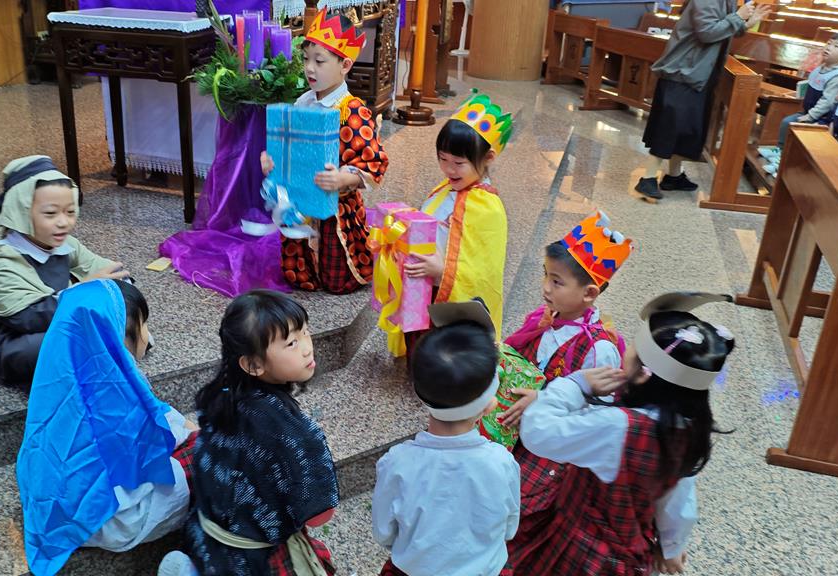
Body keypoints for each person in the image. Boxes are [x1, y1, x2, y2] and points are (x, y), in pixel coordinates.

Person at [506, 292, 736, 575]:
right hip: (628, 556)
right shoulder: (688, 430)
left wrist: (576, 384)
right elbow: (679, 503)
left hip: (578, 549)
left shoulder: (618, 427)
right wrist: (672, 547)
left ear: (642, 373)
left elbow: (538, 432)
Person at [16, 279, 196, 576]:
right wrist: (194, 434)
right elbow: (155, 439)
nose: (148, 335)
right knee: (210, 456)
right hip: (110, 518)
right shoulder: (110, 388)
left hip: (56, 507)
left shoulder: (62, 372)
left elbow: (153, 413)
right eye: (144, 324)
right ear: (119, 335)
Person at [498, 212, 632, 564]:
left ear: (589, 293)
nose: (545, 287)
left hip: (551, 453)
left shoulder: (599, 349)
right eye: (545, 274)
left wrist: (542, 400)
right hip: (516, 434)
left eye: (556, 281)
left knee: (516, 517)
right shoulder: (548, 318)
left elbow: (597, 420)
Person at [183, 290, 339, 575]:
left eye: (305, 332)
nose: (307, 348)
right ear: (253, 364)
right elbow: (319, 515)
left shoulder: (222, 393)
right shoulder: (298, 435)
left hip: (205, 531)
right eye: (291, 343)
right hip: (253, 559)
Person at [372, 299, 520, 576]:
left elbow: (384, 532)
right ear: (489, 404)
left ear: (418, 392)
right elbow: (509, 528)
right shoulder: (501, 462)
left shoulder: (396, 463)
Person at [260, 9, 388, 294]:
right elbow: (288, 148)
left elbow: (373, 162)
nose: (309, 68)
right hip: (301, 199)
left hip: (336, 209)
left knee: (336, 280)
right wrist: (273, 161)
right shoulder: (303, 102)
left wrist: (343, 178)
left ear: (345, 65)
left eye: (319, 61)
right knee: (299, 275)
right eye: (306, 59)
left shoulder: (352, 110)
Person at [0, 155, 129, 387]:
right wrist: (85, 292)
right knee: (54, 344)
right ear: (21, 212)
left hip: (61, 322)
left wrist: (122, 289)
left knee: (110, 323)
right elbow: (27, 319)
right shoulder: (0, 258)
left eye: (70, 212)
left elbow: (105, 268)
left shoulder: (66, 244)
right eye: (50, 213)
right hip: (18, 341)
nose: (63, 222)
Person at [402, 91, 512, 351]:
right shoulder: (444, 189)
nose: (448, 169)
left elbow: (485, 275)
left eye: (459, 162)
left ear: (488, 157)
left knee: (442, 353)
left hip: (449, 297)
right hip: (425, 288)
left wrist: (443, 272)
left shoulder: (488, 209)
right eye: (443, 159)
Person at [634, 0, 772, 201]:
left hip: (698, 72)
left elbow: (722, 27)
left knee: (686, 129)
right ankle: (648, 178)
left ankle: (674, 176)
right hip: (683, 71)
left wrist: (746, 24)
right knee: (670, 126)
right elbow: (707, 32)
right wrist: (738, 17)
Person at [761, 32, 838, 174]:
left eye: (836, 46)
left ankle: (784, 162)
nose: (829, 47)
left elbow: (827, 102)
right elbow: (808, 87)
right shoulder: (821, 68)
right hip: (808, 111)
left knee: (794, 126)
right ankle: (780, 151)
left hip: (821, 117)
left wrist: (810, 116)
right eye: (828, 43)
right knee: (787, 122)